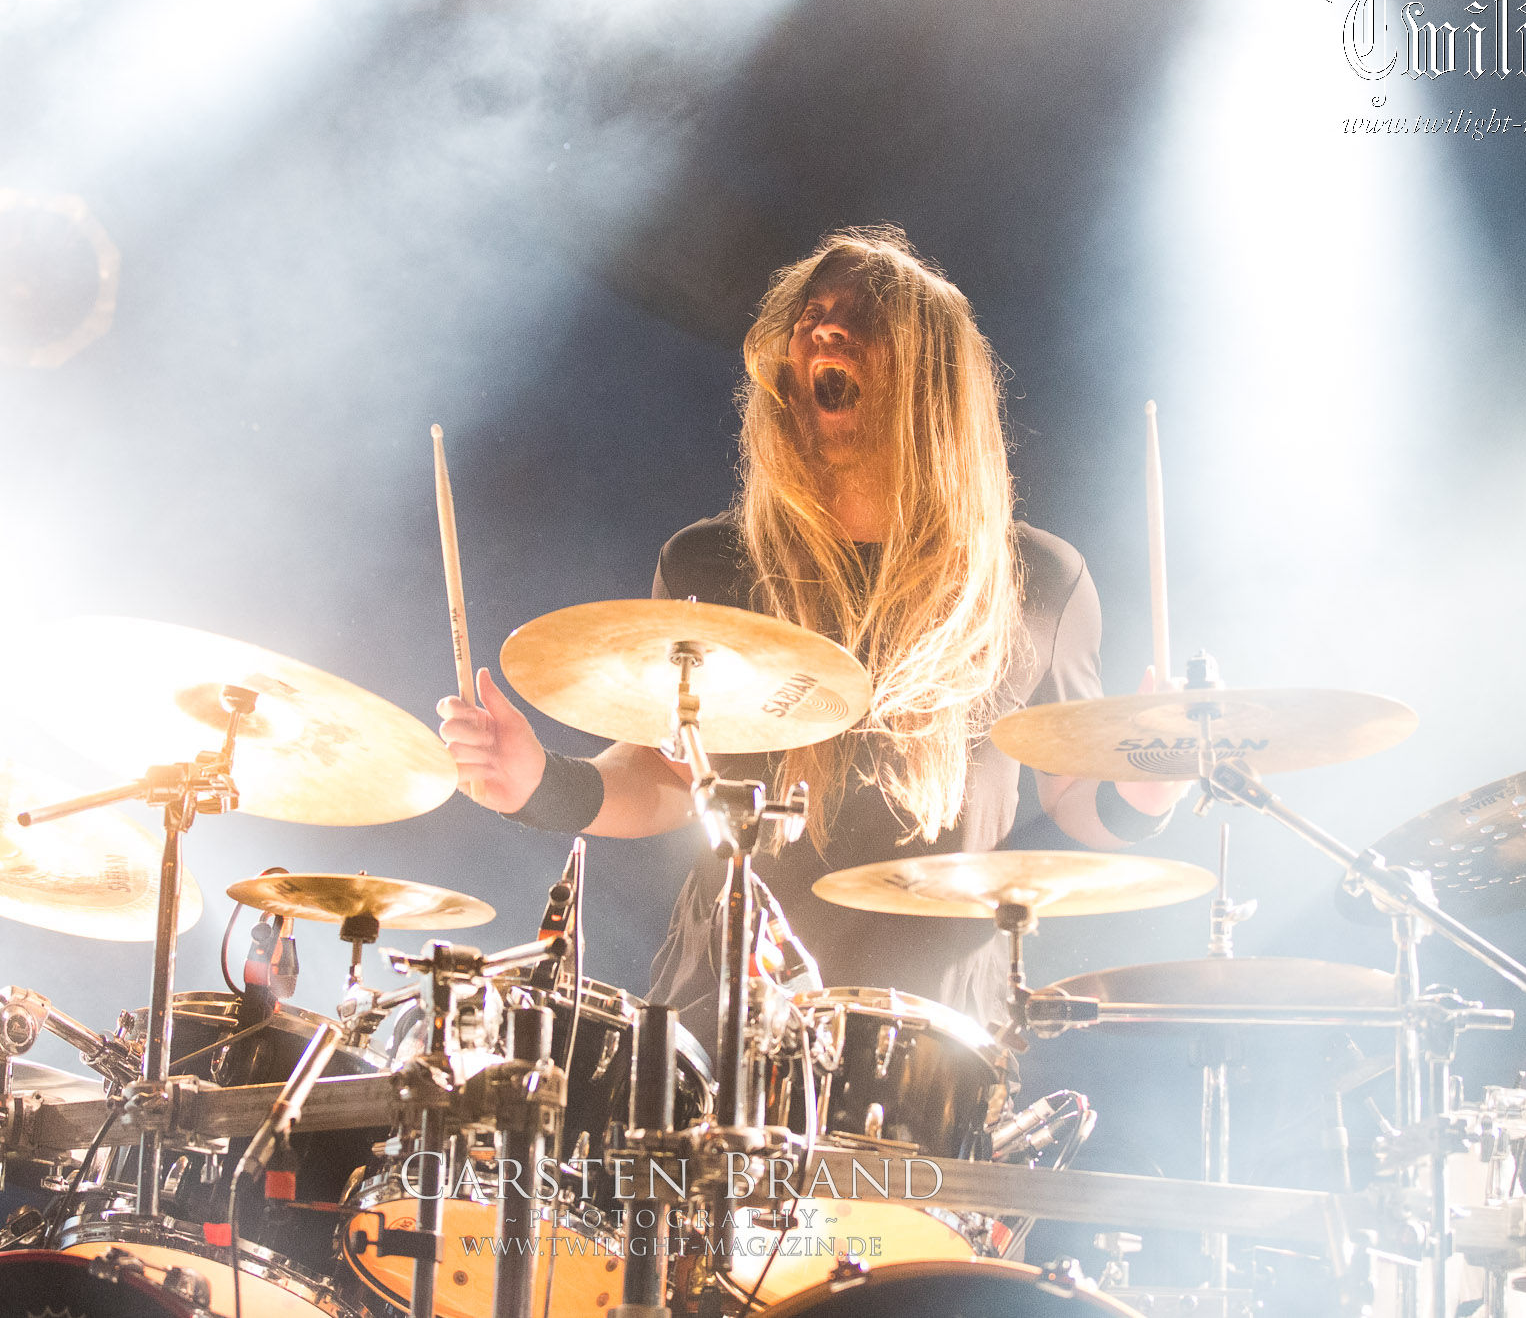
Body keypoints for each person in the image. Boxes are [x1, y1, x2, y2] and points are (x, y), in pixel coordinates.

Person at [437, 226, 1185, 1038]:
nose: (827, 327)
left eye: (866, 314)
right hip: (723, 1022)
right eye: (812, 313)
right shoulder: (711, 563)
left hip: (934, 1038)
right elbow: (669, 771)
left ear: (934, 377)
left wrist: (1146, 790)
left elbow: (1071, 795)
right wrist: (540, 782)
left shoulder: (1038, 580)